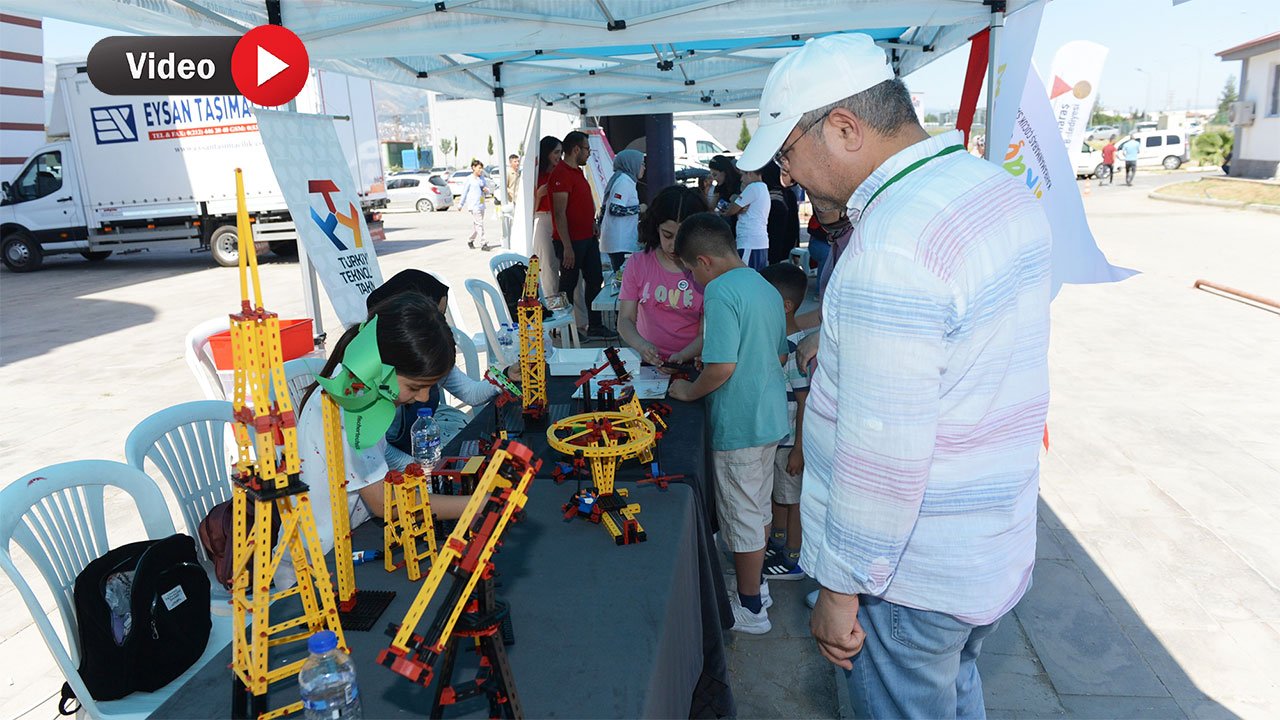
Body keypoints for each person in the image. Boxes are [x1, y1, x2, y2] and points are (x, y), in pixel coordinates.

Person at [737, 33, 1051, 718]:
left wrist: (842, 591)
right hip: (986, 546)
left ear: (844, 128)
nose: (787, 179)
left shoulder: (893, 245)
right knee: (954, 691)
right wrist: (848, 342)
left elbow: (884, 453)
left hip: (907, 578)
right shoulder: (989, 188)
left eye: (787, 154)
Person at [283, 293, 471, 587]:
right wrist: (475, 506)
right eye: (415, 386)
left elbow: (373, 467)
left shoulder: (357, 386)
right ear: (383, 366)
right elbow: (388, 505)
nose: (422, 397)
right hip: (317, 563)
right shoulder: (353, 407)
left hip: (350, 535)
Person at [668, 212, 789, 635]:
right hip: (770, 415)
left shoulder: (718, 292)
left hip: (739, 421)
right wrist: (692, 350)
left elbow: (720, 368)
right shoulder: (763, 285)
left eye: (689, 271)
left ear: (704, 261)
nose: (693, 281)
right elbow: (778, 352)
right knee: (757, 508)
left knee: (740, 518)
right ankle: (758, 586)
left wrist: (686, 391)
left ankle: (751, 608)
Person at [365, 270, 520, 470]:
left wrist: (505, 376)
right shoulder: (369, 387)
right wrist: (422, 470)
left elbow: (470, 393)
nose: (441, 326)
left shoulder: (427, 356)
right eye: (437, 316)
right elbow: (379, 451)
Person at [758, 263, 810, 583]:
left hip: (792, 441)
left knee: (793, 501)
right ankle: (776, 542)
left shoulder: (794, 348)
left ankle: (794, 558)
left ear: (785, 306)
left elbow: (805, 401)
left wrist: (799, 449)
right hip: (781, 437)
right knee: (780, 496)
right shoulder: (781, 340)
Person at [617, 185, 707, 367]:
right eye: (667, 235)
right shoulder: (638, 263)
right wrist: (641, 345)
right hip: (646, 362)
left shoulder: (704, 270)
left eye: (682, 237)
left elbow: (706, 332)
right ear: (656, 228)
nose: (674, 246)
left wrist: (683, 356)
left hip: (692, 363)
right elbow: (625, 319)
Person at [550, 130, 612, 339]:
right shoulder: (560, 174)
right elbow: (559, 213)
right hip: (570, 242)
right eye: (587, 149)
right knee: (567, 285)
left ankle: (594, 325)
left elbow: (580, 204)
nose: (589, 154)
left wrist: (592, 224)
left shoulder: (577, 171)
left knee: (595, 279)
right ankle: (563, 329)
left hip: (587, 237)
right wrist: (567, 246)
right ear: (576, 149)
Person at [599, 148, 646, 271]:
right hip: (619, 243)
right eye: (642, 164)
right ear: (632, 164)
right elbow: (615, 209)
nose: (644, 168)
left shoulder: (627, 180)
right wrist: (639, 209)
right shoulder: (623, 182)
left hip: (621, 242)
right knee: (622, 277)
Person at [533, 136, 564, 296]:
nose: (559, 156)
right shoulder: (535, 175)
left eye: (561, 152)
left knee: (566, 264)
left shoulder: (563, 173)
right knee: (548, 265)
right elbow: (529, 211)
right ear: (547, 153)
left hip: (561, 219)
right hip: (543, 219)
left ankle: (568, 306)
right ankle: (552, 301)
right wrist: (538, 195)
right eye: (556, 152)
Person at [722, 166, 770, 270]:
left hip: (749, 241)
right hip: (759, 241)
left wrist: (735, 205)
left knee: (745, 276)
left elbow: (730, 211)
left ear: (750, 173)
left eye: (743, 175)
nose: (741, 179)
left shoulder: (752, 188)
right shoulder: (763, 188)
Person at [761, 163, 799, 265]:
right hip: (785, 248)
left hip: (770, 249)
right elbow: (795, 224)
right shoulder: (788, 193)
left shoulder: (767, 197)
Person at [460, 159, 493, 250]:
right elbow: (464, 192)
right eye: (479, 168)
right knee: (479, 224)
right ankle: (483, 243)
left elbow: (486, 189)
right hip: (473, 205)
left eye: (481, 168)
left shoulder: (482, 178)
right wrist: (460, 204)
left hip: (481, 204)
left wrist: (487, 191)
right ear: (473, 168)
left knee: (477, 225)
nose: (480, 170)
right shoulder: (469, 179)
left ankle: (470, 240)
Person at [707, 155, 742, 232]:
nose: (714, 178)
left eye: (715, 175)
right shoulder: (719, 186)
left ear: (724, 172)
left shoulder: (739, 184)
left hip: (738, 226)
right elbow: (711, 207)